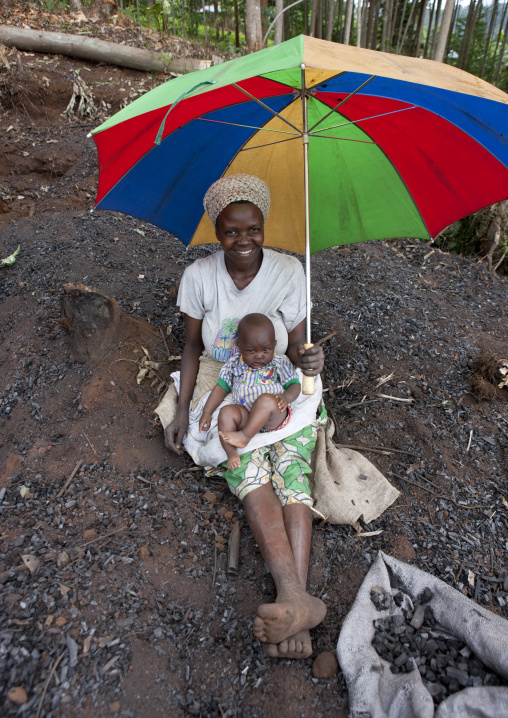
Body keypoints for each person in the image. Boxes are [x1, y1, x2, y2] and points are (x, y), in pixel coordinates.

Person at [164, 174, 326, 659]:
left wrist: (309, 360)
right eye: (231, 231)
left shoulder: (289, 271)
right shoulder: (199, 276)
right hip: (226, 375)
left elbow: (297, 348)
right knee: (249, 471)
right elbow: (192, 348)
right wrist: (181, 409)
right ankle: (297, 600)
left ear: (263, 225)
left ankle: (293, 600)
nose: (243, 240)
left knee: (293, 470)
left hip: (279, 379)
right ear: (217, 232)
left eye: (252, 229)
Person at [199, 313, 301, 471]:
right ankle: (232, 452)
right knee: (226, 412)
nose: (259, 355)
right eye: (251, 351)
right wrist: (207, 412)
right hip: (247, 417)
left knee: (265, 400)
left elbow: (295, 384)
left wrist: (286, 397)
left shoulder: (279, 362)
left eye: (266, 349)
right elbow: (220, 388)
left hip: (274, 415)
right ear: (239, 346)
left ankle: (245, 437)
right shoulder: (234, 364)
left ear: (274, 345)